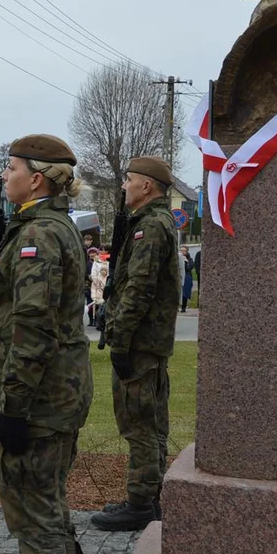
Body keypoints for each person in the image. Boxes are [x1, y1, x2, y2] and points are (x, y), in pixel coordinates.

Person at [0, 135, 92, 554]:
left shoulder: (41, 235)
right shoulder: (43, 226)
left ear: (37, 178)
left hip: (40, 401)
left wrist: (15, 404)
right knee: (47, 507)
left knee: (37, 514)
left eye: (11, 168)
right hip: (54, 394)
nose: (5, 176)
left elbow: (34, 325)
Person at [90, 156, 180, 533]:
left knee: (139, 425)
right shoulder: (153, 223)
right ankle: (149, 496)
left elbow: (138, 290)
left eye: (129, 180)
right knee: (152, 423)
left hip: (141, 345)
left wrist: (121, 342)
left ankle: (141, 503)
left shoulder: (151, 228)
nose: (123, 186)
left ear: (147, 186)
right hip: (150, 344)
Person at [179, 245, 194, 312]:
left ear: (187, 252)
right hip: (179, 276)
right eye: (181, 250)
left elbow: (189, 268)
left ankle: (183, 307)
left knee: (185, 293)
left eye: (184, 251)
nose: (182, 252)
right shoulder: (178, 258)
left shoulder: (190, 259)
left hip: (187, 277)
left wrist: (185, 262)